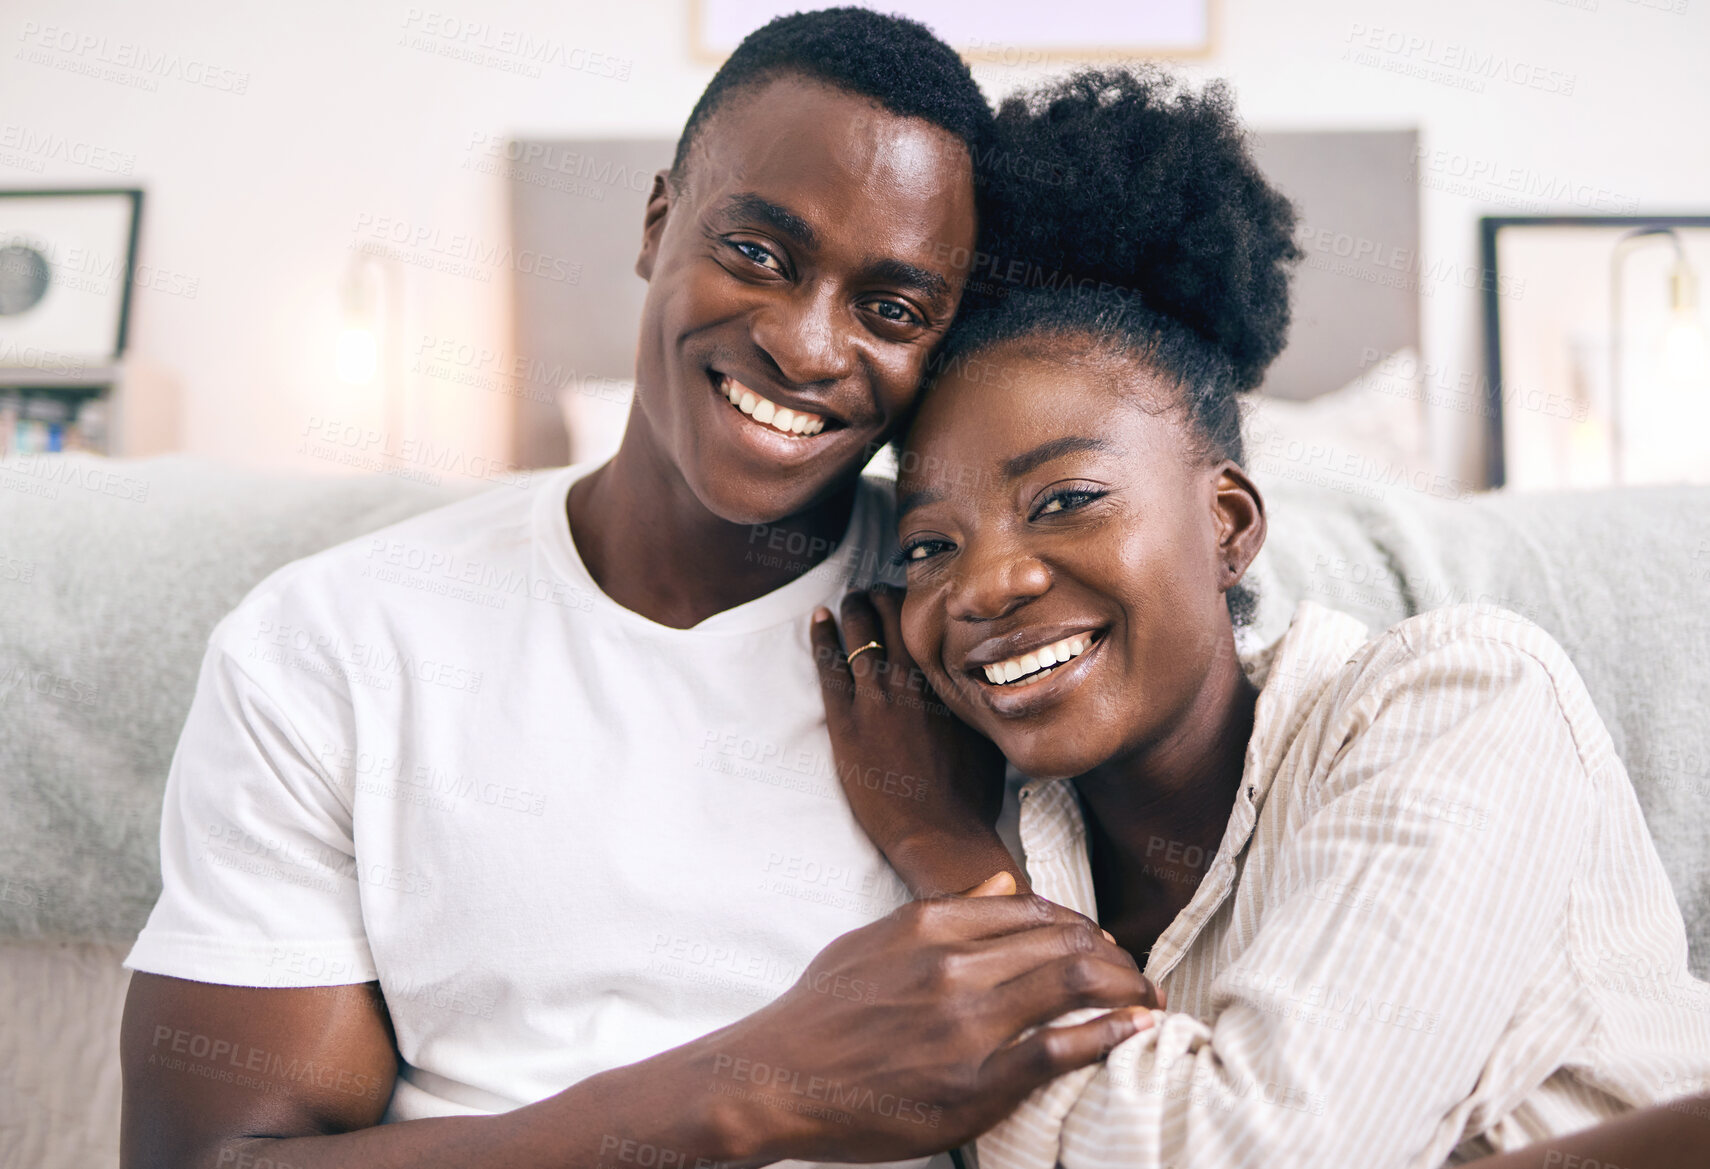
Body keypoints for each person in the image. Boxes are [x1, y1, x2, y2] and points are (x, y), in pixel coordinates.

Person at [117, 14, 1159, 1169]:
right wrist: (753, 1091)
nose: (808, 347)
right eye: (760, 253)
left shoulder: (995, 634)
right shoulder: (334, 640)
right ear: (659, 221)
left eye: (893, 310)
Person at [812, 66, 1710, 1168]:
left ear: (1230, 522)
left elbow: (1250, 1150)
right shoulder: (1032, 826)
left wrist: (945, 855)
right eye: (928, 546)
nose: (984, 585)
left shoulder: (1464, 700)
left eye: (1067, 500)